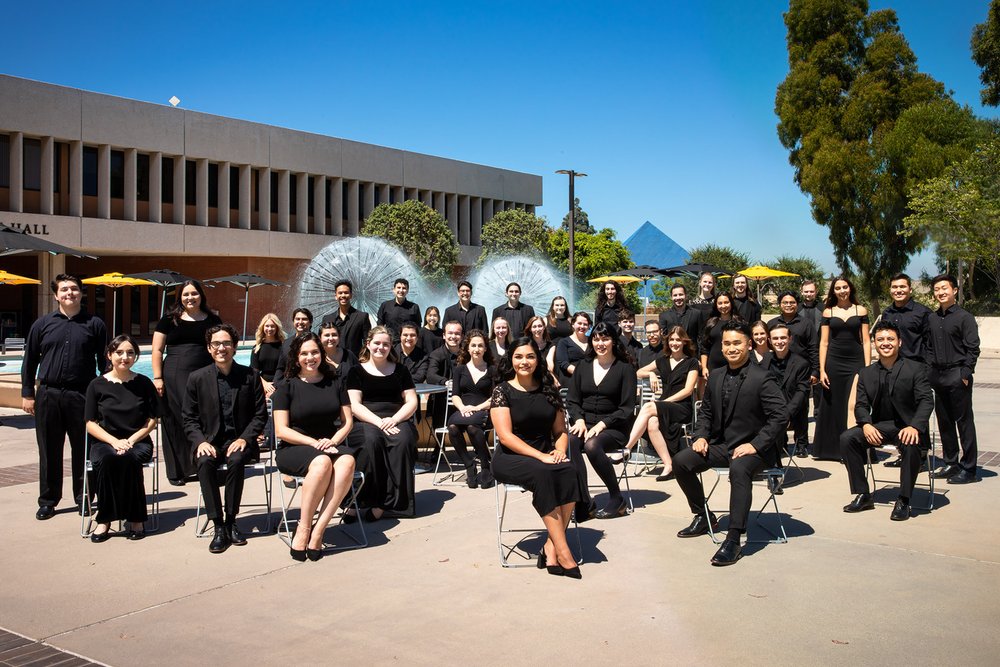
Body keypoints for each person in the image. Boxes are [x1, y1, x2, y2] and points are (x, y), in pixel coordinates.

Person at [672, 320, 787, 567]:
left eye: (737, 343)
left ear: (749, 344)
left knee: (739, 468)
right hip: (723, 445)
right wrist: (701, 436)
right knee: (681, 461)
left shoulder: (763, 377)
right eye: (727, 343)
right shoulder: (715, 375)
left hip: (756, 450)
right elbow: (706, 413)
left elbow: (780, 417)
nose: (731, 348)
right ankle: (703, 517)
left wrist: (755, 445)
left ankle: (734, 538)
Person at [490, 337, 584, 578]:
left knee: (569, 469)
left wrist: (560, 451)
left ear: (537, 359)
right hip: (512, 457)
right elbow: (505, 436)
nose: (525, 361)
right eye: (519, 356)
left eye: (530, 356)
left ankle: (551, 546)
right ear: (511, 359)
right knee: (544, 472)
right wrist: (540, 456)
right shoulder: (502, 391)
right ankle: (564, 551)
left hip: (546, 456)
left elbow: (560, 431)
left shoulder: (549, 390)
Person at [22, 273, 108, 520]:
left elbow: (104, 362)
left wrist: (102, 395)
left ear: (81, 292)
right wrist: (28, 393)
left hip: (82, 394)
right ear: (56, 295)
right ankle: (48, 500)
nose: (69, 293)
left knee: (84, 449)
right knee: (49, 450)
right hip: (48, 394)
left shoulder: (95, 324)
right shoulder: (42, 324)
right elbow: (29, 362)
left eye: (74, 289)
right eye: (64, 290)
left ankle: (84, 497)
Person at [272, 332, 359, 561]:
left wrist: (334, 441)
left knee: (348, 461)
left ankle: (319, 530)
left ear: (321, 354)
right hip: (294, 447)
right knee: (321, 463)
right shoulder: (286, 387)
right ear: (296, 357)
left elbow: (347, 421)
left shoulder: (335, 382)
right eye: (304, 353)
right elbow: (281, 430)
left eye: (314, 352)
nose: (310, 357)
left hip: (329, 444)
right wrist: (314, 443)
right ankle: (303, 527)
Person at [183, 324, 268, 554]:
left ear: (235, 346)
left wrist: (245, 438)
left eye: (227, 343)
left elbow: (260, 414)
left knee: (237, 460)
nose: (222, 348)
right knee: (205, 462)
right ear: (209, 348)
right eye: (217, 344)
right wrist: (200, 441)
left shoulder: (251, 376)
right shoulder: (196, 378)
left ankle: (231, 520)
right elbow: (188, 418)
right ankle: (218, 524)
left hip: (239, 440)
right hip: (209, 441)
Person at [840, 320, 934, 521]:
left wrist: (915, 426)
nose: (885, 343)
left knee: (910, 443)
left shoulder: (916, 368)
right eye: (880, 339)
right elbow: (861, 405)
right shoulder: (866, 373)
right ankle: (863, 494)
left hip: (908, 427)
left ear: (899, 342)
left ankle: (904, 499)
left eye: (890, 339)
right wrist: (865, 424)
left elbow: (926, 401)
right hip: (880, 426)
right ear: (874, 343)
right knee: (847, 438)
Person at [84, 335, 158, 541]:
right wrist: (114, 442)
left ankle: (136, 518)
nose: (125, 357)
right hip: (105, 442)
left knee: (127, 458)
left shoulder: (143, 383)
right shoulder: (96, 385)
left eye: (130, 353)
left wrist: (132, 440)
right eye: (119, 352)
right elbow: (90, 423)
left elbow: (152, 420)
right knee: (109, 459)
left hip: (139, 441)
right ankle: (104, 520)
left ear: (135, 357)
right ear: (109, 355)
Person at [152, 279, 222, 486]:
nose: (190, 298)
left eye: (194, 294)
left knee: (204, 417)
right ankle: (177, 470)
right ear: (180, 297)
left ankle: (203, 464)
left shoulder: (212, 319)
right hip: (175, 374)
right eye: (185, 294)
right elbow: (156, 350)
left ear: (201, 296)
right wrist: (157, 378)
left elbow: (220, 346)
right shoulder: (168, 320)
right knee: (177, 418)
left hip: (204, 373)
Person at [345, 326, 420, 520]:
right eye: (377, 343)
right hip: (367, 420)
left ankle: (387, 504)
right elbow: (354, 404)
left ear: (391, 347)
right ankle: (357, 500)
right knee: (371, 441)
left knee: (403, 440)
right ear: (368, 344)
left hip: (397, 418)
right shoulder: (356, 371)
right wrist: (379, 422)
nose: (381, 347)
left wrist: (394, 419)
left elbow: (412, 401)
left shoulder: (401, 371)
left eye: (386, 344)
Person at [567, 322, 637, 519]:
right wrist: (579, 420)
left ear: (614, 341)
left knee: (591, 445)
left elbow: (627, 408)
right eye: (596, 339)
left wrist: (602, 424)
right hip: (585, 424)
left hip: (614, 427)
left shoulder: (625, 368)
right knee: (570, 442)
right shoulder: (583, 366)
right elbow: (572, 400)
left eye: (605, 339)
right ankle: (585, 501)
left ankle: (617, 499)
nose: (600, 343)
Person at [624, 326, 700, 481]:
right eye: (672, 339)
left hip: (681, 407)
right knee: (652, 422)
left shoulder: (692, 362)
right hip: (664, 406)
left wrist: (664, 402)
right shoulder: (662, 360)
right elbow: (638, 372)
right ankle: (668, 465)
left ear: (684, 342)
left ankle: (626, 448)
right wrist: (651, 374)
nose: (674, 343)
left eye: (678, 340)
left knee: (648, 406)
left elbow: (688, 390)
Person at [926, 274, 980, 485]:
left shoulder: (965, 317)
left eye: (944, 288)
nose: (940, 292)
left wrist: (965, 374)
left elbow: (973, 348)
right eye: (937, 289)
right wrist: (929, 370)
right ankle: (951, 463)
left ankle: (969, 469)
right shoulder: (932, 318)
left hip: (958, 375)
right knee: (944, 422)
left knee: (964, 423)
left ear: (955, 290)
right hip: (937, 375)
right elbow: (929, 347)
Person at [812, 276, 870, 461]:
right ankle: (830, 450)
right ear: (833, 291)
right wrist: (822, 370)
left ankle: (855, 449)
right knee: (833, 404)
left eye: (845, 287)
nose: (842, 290)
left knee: (853, 404)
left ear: (850, 288)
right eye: (838, 288)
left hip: (856, 361)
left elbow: (866, 341)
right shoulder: (828, 312)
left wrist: (867, 369)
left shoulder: (860, 310)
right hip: (834, 363)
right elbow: (823, 343)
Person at [768, 291, 819, 457]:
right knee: (778, 403)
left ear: (797, 304)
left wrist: (815, 370)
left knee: (801, 407)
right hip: (777, 366)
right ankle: (781, 442)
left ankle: (801, 443)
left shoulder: (805, 323)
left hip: (800, 369)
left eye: (791, 302)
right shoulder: (773, 322)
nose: (788, 305)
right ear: (780, 304)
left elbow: (813, 348)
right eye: (785, 302)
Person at [447, 330, 496, 489]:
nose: (476, 349)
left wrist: (477, 408)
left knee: (472, 428)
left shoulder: (492, 370)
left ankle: (485, 464)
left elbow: (495, 397)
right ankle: (469, 464)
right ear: (467, 348)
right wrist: (462, 408)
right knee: (453, 428)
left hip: (484, 411)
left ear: (485, 349)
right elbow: (455, 395)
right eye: (473, 345)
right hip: (463, 411)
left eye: (480, 345)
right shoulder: (459, 369)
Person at [758, 322, 811, 470]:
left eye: (783, 338)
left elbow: (802, 392)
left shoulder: (801, 363)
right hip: (771, 410)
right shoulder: (765, 361)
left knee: (776, 422)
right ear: (769, 340)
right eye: (775, 339)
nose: (779, 342)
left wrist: (786, 413)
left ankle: (775, 470)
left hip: (793, 412)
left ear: (790, 339)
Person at [423, 320, 464, 472]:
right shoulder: (436, 354)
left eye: (457, 334)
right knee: (439, 413)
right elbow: (431, 375)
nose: (453, 336)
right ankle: (439, 447)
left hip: (464, 398)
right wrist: (446, 382)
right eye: (450, 333)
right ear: (444, 336)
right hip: (442, 397)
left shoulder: (466, 353)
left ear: (462, 336)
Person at [880, 273, 930, 363]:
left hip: (917, 367)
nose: (898, 290)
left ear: (910, 290)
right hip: (892, 366)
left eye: (902, 286)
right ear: (890, 290)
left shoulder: (923, 312)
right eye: (894, 287)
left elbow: (931, 344)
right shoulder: (887, 313)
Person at [798, 279, 824, 426]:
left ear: (816, 292)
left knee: (819, 384)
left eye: (811, 291)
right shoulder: (797, 309)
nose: (809, 294)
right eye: (806, 291)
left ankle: (819, 413)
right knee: (803, 385)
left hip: (820, 350)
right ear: (802, 292)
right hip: (801, 353)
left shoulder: (823, 308)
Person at [321, 280, 371, 356]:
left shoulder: (362, 317)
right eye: (340, 293)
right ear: (336, 296)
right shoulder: (327, 319)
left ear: (351, 295)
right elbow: (323, 341)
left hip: (354, 362)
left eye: (346, 292)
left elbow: (367, 342)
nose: (343, 295)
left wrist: (363, 359)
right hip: (332, 361)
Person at [700, 292, 740, 380]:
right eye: (720, 303)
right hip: (714, 367)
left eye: (726, 302)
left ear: (731, 303)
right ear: (716, 305)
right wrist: (704, 367)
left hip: (736, 365)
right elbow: (704, 348)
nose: (723, 306)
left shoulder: (739, 323)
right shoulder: (711, 323)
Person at [249, 313, 286, 399]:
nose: (270, 329)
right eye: (267, 326)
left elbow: (286, 368)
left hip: (281, 382)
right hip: (262, 382)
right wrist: (264, 384)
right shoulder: (257, 348)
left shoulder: (283, 346)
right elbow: (254, 370)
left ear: (277, 327)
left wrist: (276, 385)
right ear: (263, 327)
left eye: (272, 326)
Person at [659, 283, 705, 349]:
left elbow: (701, 337)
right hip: (672, 355)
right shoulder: (664, 316)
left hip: (692, 355)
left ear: (686, 295)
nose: (678, 298)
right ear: (671, 297)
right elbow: (663, 339)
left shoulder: (696, 314)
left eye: (681, 294)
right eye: (675, 295)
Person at [376, 278, 421, 342]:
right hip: (391, 343)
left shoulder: (414, 307)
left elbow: (418, 327)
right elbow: (380, 325)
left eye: (404, 288)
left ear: (407, 291)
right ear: (394, 290)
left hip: (408, 343)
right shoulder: (385, 305)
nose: (401, 290)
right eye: (398, 287)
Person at [274, 308, 313, 379]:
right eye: (297, 319)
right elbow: (280, 367)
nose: (300, 322)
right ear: (293, 321)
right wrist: (277, 383)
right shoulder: (286, 343)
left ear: (310, 322)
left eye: (304, 319)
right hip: (289, 384)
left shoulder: (316, 343)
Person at [556, 311, 592, 382]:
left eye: (585, 324)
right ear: (573, 324)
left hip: (589, 381)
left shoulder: (592, 342)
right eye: (579, 323)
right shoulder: (563, 342)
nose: (582, 326)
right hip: (571, 380)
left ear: (589, 326)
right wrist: (582, 374)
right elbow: (564, 363)